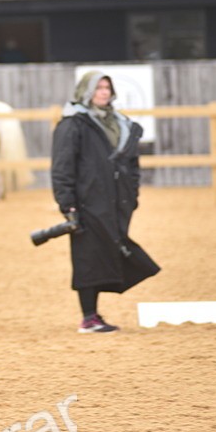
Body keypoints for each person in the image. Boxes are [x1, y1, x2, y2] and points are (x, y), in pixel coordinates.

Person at [51, 72, 160, 333]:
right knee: (88, 256)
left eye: (107, 88)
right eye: (98, 87)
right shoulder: (73, 124)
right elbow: (62, 168)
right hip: (86, 202)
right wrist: (68, 204)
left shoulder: (121, 124)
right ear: (86, 91)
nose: (103, 92)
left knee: (111, 250)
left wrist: (132, 194)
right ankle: (89, 317)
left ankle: (93, 314)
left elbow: (132, 164)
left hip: (116, 201)